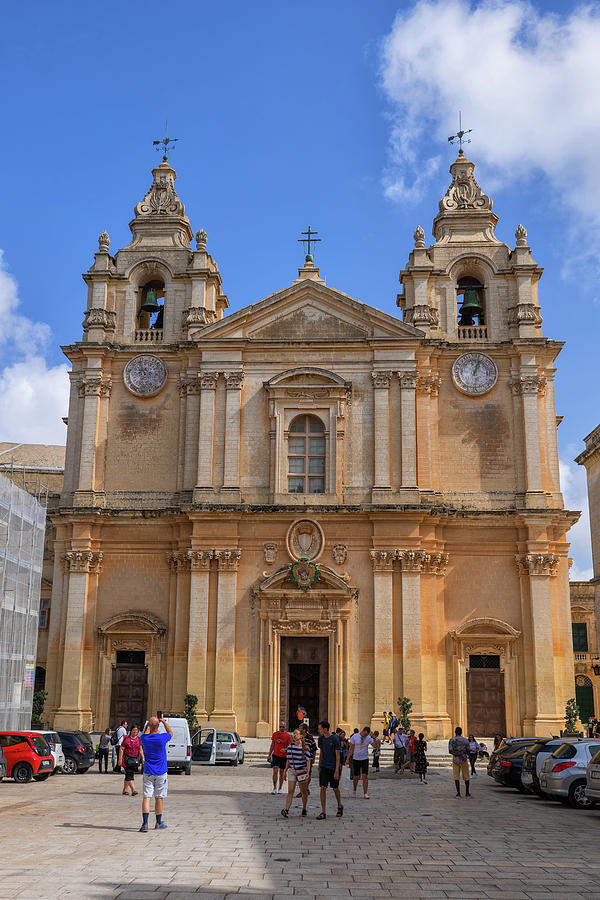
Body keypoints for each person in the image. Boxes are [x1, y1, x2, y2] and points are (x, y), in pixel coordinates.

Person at [139, 716, 172, 832]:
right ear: (158, 726)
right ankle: (158, 822)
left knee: (147, 796)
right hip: (161, 771)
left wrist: (150, 725)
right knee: (159, 797)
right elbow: (170, 732)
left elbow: (147, 732)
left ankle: (145, 824)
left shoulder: (144, 738)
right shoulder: (162, 738)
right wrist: (163, 722)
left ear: (148, 726)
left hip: (148, 771)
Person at [281, 729, 311, 818]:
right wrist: (285, 771)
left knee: (303, 792)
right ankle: (286, 810)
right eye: (294, 734)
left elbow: (308, 761)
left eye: (296, 734)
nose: (294, 736)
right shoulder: (290, 746)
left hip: (302, 772)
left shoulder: (305, 747)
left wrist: (308, 773)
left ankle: (304, 808)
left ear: (301, 736)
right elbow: (288, 760)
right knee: (290, 791)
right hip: (292, 771)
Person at [316, 720, 342, 819]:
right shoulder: (321, 739)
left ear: (325, 729)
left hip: (332, 767)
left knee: (335, 788)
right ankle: (323, 811)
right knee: (323, 788)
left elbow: (338, 755)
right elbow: (322, 752)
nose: (318, 730)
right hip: (324, 766)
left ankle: (339, 806)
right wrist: (319, 765)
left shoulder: (335, 739)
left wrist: (336, 770)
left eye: (320, 728)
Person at [348, 726, 373, 798]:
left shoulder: (368, 738)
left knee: (365, 776)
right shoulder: (355, 736)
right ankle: (354, 789)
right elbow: (351, 748)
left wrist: (374, 738)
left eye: (367, 735)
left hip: (365, 758)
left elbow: (375, 746)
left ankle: (365, 793)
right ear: (363, 731)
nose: (366, 736)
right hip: (356, 758)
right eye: (366, 734)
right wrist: (347, 759)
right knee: (356, 776)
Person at [119, 725, 143, 796]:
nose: (135, 731)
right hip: (127, 759)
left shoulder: (138, 739)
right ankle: (133, 790)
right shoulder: (127, 739)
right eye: (134, 730)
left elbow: (140, 749)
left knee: (128, 774)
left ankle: (125, 790)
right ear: (131, 731)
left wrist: (143, 758)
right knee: (130, 774)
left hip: (135, 759)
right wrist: (120, 759)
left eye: (136, 730)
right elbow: (121, 748)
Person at [268, 722, 292, 794]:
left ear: (285, 727)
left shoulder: (288, 736)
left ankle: (280, 788)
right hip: (275, 755)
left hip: (284, 756)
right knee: (275, 771)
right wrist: (269, 754)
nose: (282, 728)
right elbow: (272, 744)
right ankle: (274, 788)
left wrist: (285, 749)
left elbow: (290, 746)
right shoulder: (275, 734)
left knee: (281, 773)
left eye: (283, 727)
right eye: (280, 727)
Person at [449, 726, 471, 798]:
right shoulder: (465, 740)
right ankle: (467, 793)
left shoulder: (452, 740)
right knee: (466, 777)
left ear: (455, 732)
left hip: (455, 760)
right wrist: (463, 756)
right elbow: (468, 750)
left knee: (456, 777)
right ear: (461, 732)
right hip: (464, 760)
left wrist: (458, 755)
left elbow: (450, 751)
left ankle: (458, 793)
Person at [297, 723, 316, 799]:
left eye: (300, 728)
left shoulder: (310, 738)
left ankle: (305, 789)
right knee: (300, 775)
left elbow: (314, 749)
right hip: (299, 759)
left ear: (304, 730)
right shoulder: (298, 737)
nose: (299, 729)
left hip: (308, 759)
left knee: (308, 774)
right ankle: (303, 790)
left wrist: (313, 758)